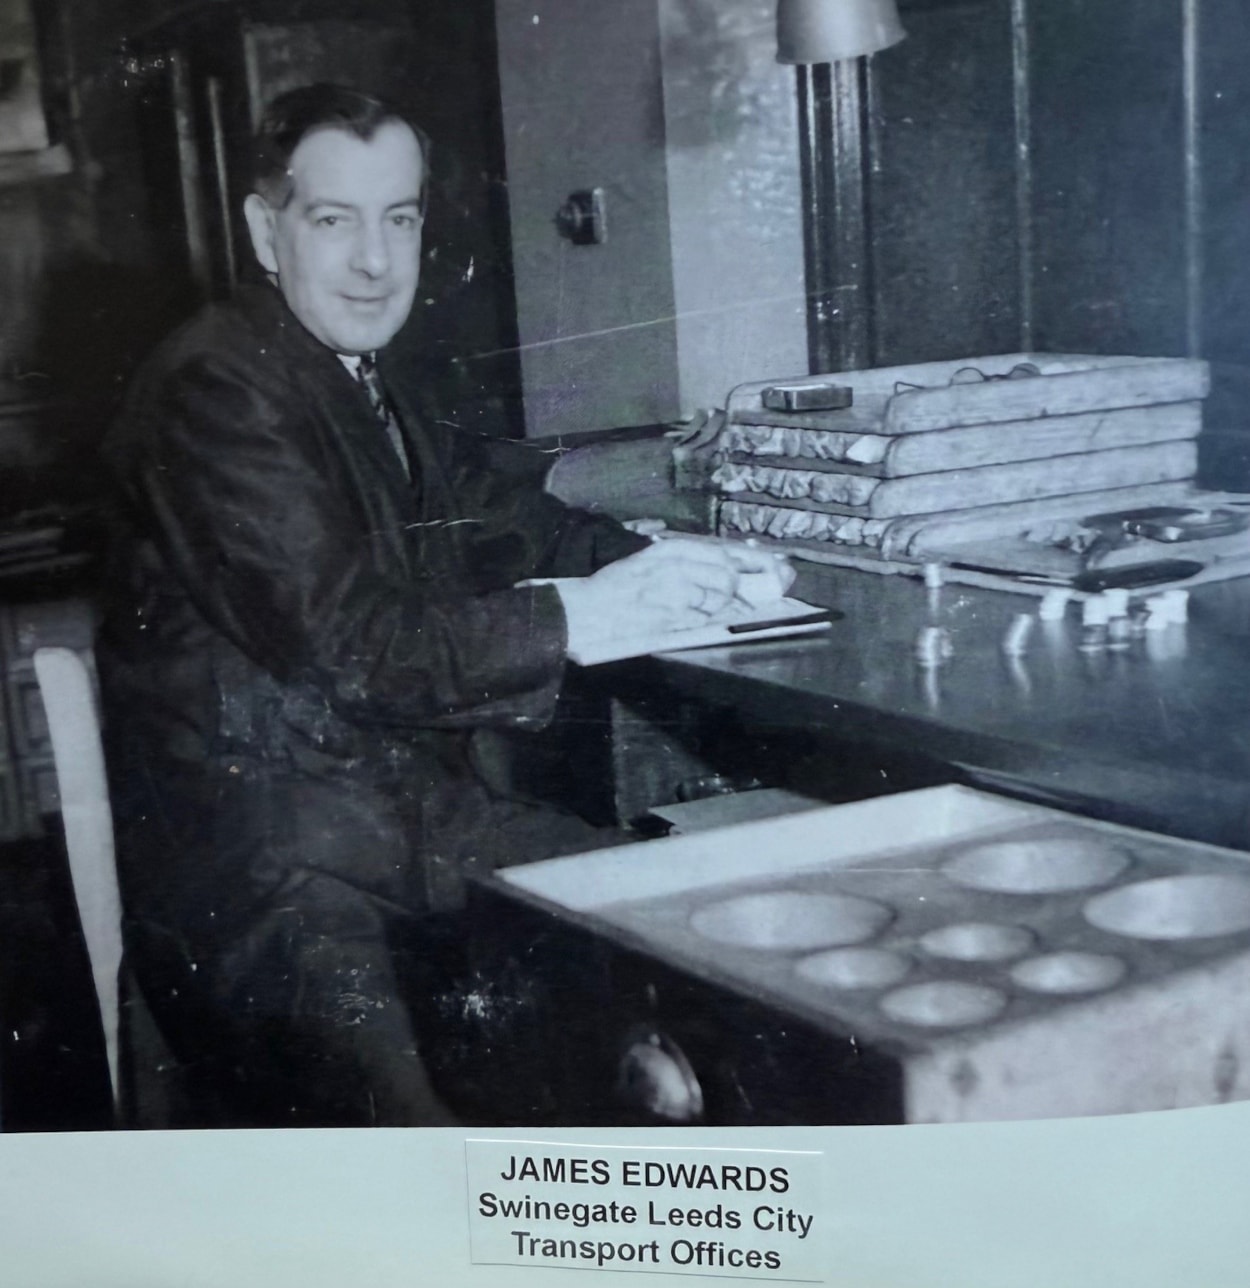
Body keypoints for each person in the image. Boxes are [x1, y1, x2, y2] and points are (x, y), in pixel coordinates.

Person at [97, 84, 789, 1126]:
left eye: (401, 217)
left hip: (400, 826)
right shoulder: (216, 388)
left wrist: (682, 562)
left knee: (699, 938)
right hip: (268, 879)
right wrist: (596, 613)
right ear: (263, 231)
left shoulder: (369, 378)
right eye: (333, 220)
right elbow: (353, 646)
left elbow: (496, 513)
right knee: (440, 1149)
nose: (376, 261)